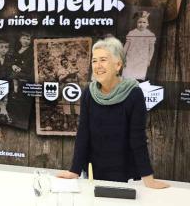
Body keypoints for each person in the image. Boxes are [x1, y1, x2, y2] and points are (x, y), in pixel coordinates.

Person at [57, 36, 169, 189]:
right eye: (94, 61)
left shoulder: (133, 94)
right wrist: (74, 171)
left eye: (103, 60)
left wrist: (148, 179)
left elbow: (138, 138)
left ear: (118, 65)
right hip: (93, 172)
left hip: (123, 172)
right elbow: (83, 133)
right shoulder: (89, 93)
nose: (97, 65)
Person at [122, 10, 156, 80]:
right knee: (127, 76)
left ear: (147, 24)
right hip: (130, 58)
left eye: (144, 22)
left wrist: (149, 59)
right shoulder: (131, 33)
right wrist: (123, 57)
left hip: (142, 60)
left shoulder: (150, 35)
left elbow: (151, 48)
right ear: (136, 23)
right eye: (139, 22)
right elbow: (126, 46)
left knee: (139, 77)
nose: (141, 24)